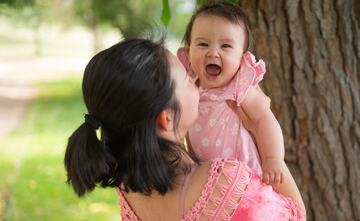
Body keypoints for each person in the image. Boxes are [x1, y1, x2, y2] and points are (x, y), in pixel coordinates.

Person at [64, 37, 306, 220]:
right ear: (166, 118)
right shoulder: (226, 181)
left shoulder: (128, 189)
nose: (196, 79)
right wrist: (263, 140)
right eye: (187, 79)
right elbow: (295, 216)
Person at [178, 0, 286, 189]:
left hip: (245, 181)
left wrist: (273, 158)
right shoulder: (190, 92)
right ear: (188, 52)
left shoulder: (239, 88)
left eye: (226, 46)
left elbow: (265, 119)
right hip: (208, 184)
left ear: (241, 57)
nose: (213, 53)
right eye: (203, 44)